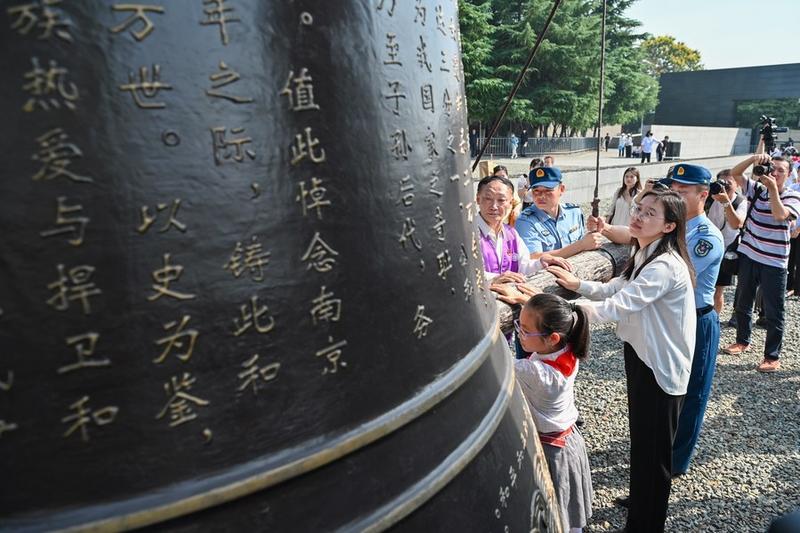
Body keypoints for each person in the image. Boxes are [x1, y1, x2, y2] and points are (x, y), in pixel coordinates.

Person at [549, 190, 697, 533]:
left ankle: (646, 523)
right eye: (638, 209)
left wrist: (558, 310)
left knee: (655, 453)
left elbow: (618, 305)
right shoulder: (645, 251)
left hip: (660, 367)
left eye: (649, 213)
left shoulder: (665, 265)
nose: (638, 216)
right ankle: (642, 505)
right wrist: (577, 284)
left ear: (669, 226)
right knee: (643, 442)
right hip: (643, 355)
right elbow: (616, 287)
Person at [663, 164, 724, 476]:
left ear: (703, 195)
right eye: (673, 189)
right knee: (669, 386)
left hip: (697, 319)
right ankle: (661, 448)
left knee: (692, 394)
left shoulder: (705, 236)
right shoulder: (672, 226)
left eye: (682, 192)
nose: (674, 195)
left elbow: (681, 279)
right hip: (673, 318)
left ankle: (674, 464)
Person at [514, 293, 593, 533]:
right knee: (568, 510)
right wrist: (521, 299)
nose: (519, 333)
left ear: (552, 338)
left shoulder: (536, 373)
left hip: (552, 451)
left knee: (555, 512)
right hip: (569, 441)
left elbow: (497, 358)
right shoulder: (567, 346)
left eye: (525, 330)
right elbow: (549, 314)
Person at [721, 152, 800, 373]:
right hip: (749, 255)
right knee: (743, 303)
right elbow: (735, 174)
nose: (774, 173)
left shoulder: (793, 196)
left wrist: (773, 188)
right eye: (771, 168)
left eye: (780, 170)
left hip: (774, 262)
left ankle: (772, 356)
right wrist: (754, 158)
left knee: (775, 311)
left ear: (790, 174)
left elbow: (779, 214)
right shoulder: (756, 189)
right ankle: (742, 341)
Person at [515, 167, 603, 261]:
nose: (541, 196)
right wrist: (581, 245)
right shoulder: (525, 221)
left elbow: (583, 244)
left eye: (548, 190)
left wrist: (593, 234)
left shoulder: (574, 212)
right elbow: (533, 258)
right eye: (536, 191)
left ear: (561, 189)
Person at [706, 169, 747, 315]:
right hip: (707, 248)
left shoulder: (740, 201)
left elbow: (737, 223)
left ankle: (715, 319)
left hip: (726, 250)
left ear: (737, 185)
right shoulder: (710, 198)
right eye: (722, 182)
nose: (725, 186)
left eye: (729, 183)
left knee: (718, 290)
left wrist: (726, 203)